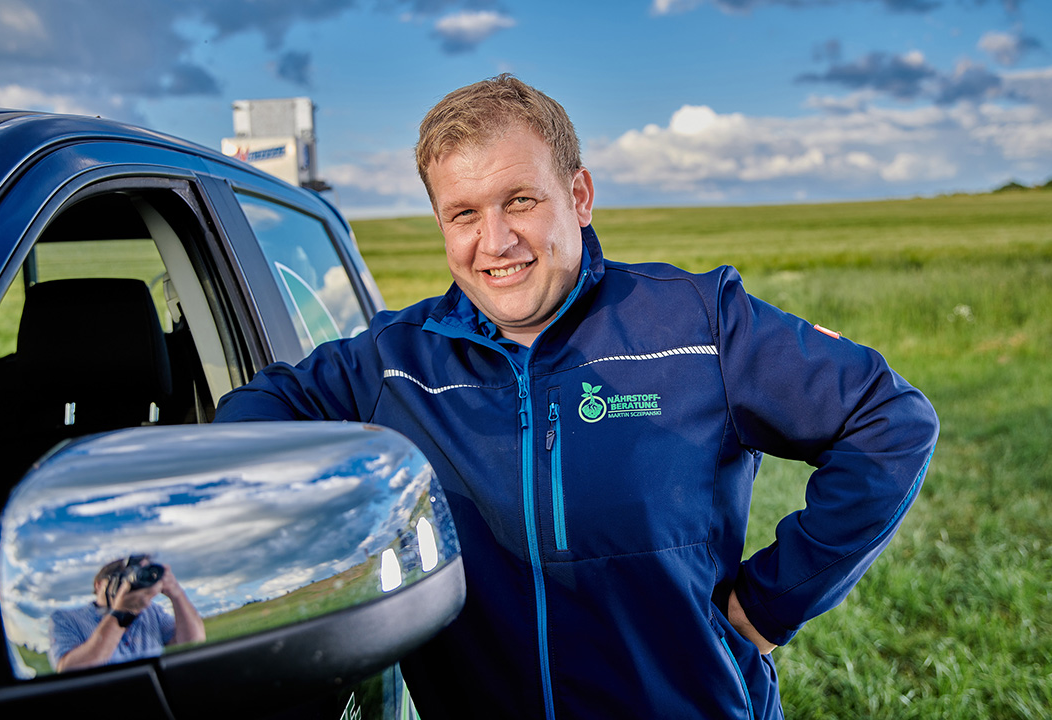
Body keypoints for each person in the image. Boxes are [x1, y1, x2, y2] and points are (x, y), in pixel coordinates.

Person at [214, 75, 938, 719]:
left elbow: (888, 421)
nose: (495, 240)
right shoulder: (392, 364)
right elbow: (245, 425)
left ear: (579, 196)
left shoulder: (698, 325)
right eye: (463, 214)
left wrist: (772, 602)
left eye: (520, 200)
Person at [48, 555, 206, 672]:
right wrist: (121, 614)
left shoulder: (151, 611)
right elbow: (69, 669)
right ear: (99, 584)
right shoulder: (66, 619)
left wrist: (176, 593)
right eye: (122, 578)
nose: (127, 586)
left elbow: (193, 642)